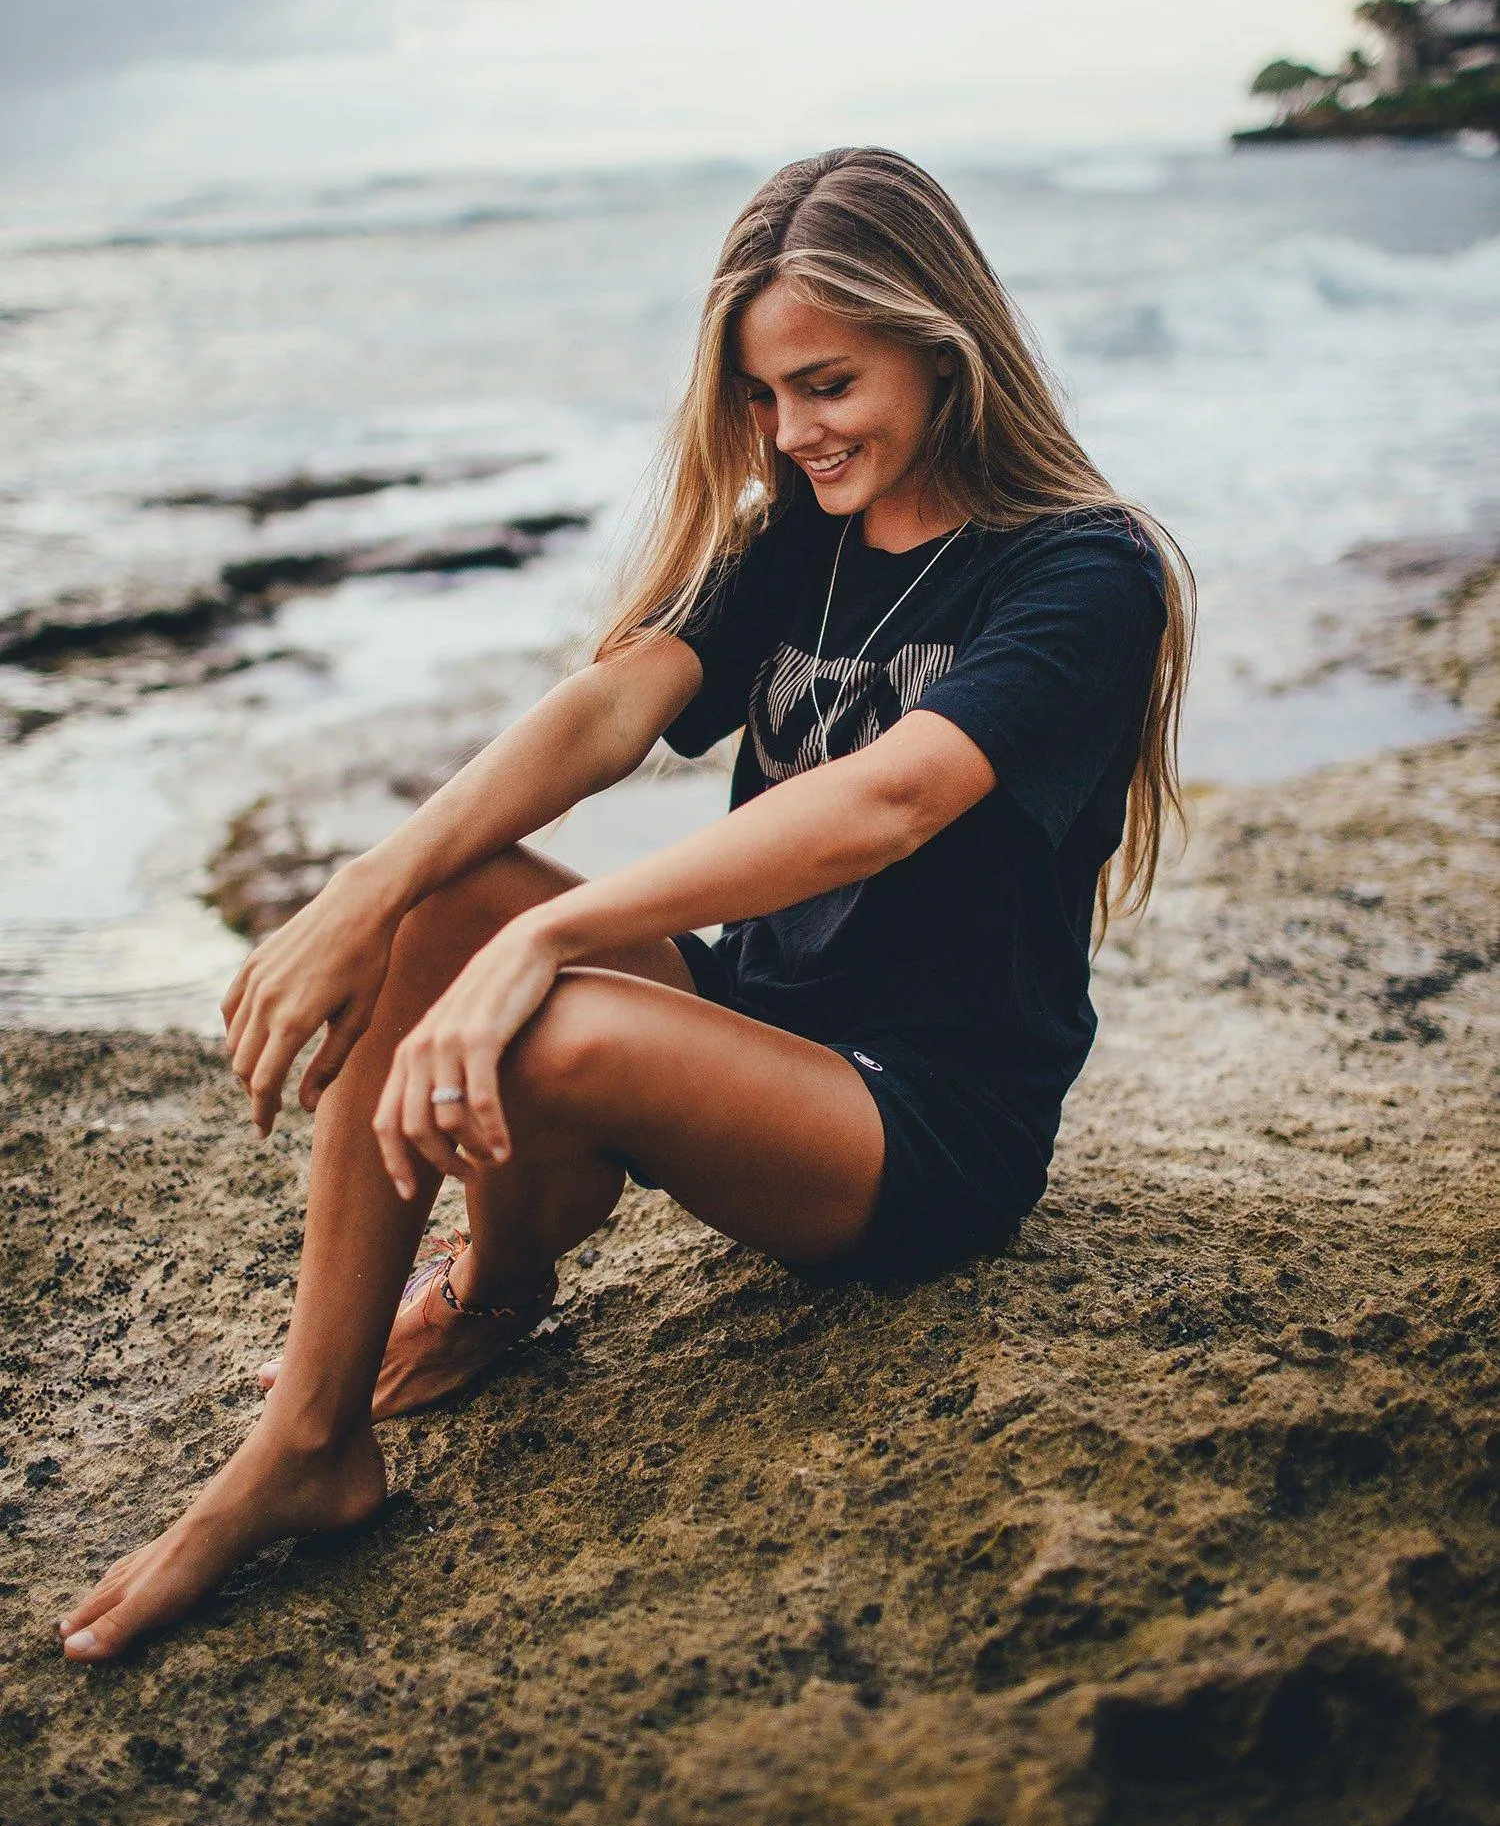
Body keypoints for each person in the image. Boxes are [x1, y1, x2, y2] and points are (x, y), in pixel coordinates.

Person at [58, 147, 1192, 1662]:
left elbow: (889, 801)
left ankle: (501, 1274)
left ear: (942, 338)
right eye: (763, 397)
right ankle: (319, 1434)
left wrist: (555, 932)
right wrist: (373, 883)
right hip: (757, 1030)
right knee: (447, 897)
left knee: (554, 1018)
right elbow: (611, 711)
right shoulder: (804, 536)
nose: (793, 433)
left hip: (923, 1126)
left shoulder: (1083, 571)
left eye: (829, 384)